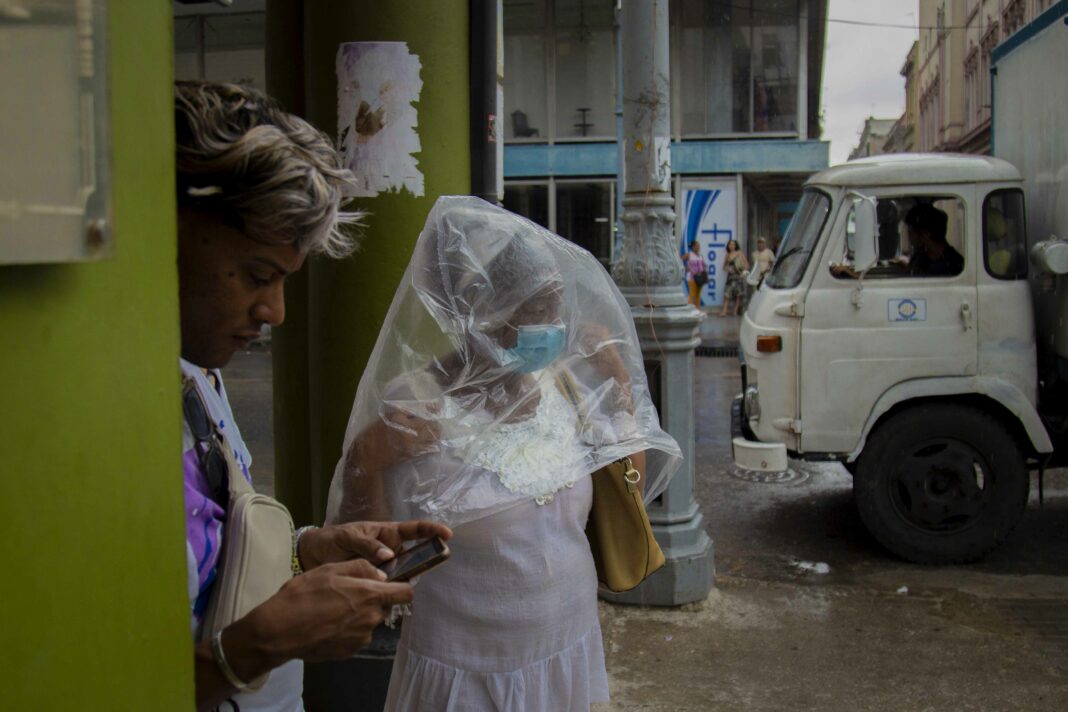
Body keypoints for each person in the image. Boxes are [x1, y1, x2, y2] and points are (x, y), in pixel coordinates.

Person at [325, 197, 683, 711]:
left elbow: (631, 491)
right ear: (481, 313)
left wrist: (619, 381)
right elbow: (377, 560)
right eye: (538, 308)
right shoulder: (415, 405)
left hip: (568, 652)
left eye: (556, 304)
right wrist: (366, 463)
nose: (555, 325)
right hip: (465, 675)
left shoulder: (565, 388)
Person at [175, 81, 451, 712]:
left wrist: (305, 553)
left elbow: (214, 550)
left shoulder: (198, 379)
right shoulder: (102, 425)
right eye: (256, 275)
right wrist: (256, 647)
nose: (272, 310)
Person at [899, 203, 963, 277]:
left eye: (911, 233)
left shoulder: (953, 265)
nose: (910, 238)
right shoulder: (919, 257)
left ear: (925, 234)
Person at [719, 239, 749, 316]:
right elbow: (724, 267)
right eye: (730, 244)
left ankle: (735, 311)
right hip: (730, 277)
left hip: (738, 276)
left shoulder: (740, 253)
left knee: (738, 295)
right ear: (728, 246)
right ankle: (724, 311)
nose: (731, 246)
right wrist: (728, 269)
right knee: (726, 294)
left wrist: (744, 272)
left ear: (735, 245)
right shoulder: (727, 255)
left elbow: (746, 264)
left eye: (733, 244)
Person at [683, 239, 707, 307]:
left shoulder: (700, 255)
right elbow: (680, 260)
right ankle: (689, 310)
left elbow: (703, 264)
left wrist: (704, 269)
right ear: (693, 247)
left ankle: (698, 309)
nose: (698, 247)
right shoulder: (689, 254)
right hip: (692, 277)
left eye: (698, 246)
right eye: (696, 246)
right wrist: (686, 268)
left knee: (698, 294)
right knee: (692, 293)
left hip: (700, 277)